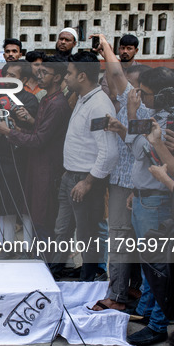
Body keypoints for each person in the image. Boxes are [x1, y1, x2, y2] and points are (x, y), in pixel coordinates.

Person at [123, 66, 174, 346]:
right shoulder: (159, 116)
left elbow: (139, 149)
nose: (141, 98)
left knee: (160, 268)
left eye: (145, 93)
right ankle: (146, 311)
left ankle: (157, 323)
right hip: (146, 195)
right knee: (151, 265)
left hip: (158, 200)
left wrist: (132, 118)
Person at [91, 34, 151, 312]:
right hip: (129, 182)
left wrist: (105, 44)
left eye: (131, 85)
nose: (123, 87)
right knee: (133, 244)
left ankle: (116, 296)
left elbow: (142, 145)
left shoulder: (140, 105)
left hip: (129, 184)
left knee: (119, 241)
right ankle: (131, 290)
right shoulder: (142, 107)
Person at [49, 51, 118, 281]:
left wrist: (88, 182)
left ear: (82, 76)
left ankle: (89, 280)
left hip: (85, 179)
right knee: (62, 230)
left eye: (69, 73)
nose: (65, 77)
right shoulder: (82, 97)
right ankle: (56, 273)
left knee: (87, 235)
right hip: (70, 175)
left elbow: (108, 152)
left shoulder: (99, 105)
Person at [0, 56, 71, 244]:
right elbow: (38, 131)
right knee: (12, 206)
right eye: (6, 75)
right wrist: (22, 127)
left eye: (44, 73)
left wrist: (9, 131)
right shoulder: (46, 100)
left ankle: (38, 256)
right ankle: (19, 249)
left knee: (39, 213)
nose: (39, 76)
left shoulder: (54, 104)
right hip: (22, 162)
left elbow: (39, 139)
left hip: (42, 165)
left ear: (57, 77)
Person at [100, 34, 140, 98]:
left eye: (129, 49)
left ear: (136, 51)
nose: (125, 51)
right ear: (119, 49)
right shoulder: (111, 69)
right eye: (123, 48)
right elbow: (106, 93)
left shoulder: (140, 71)